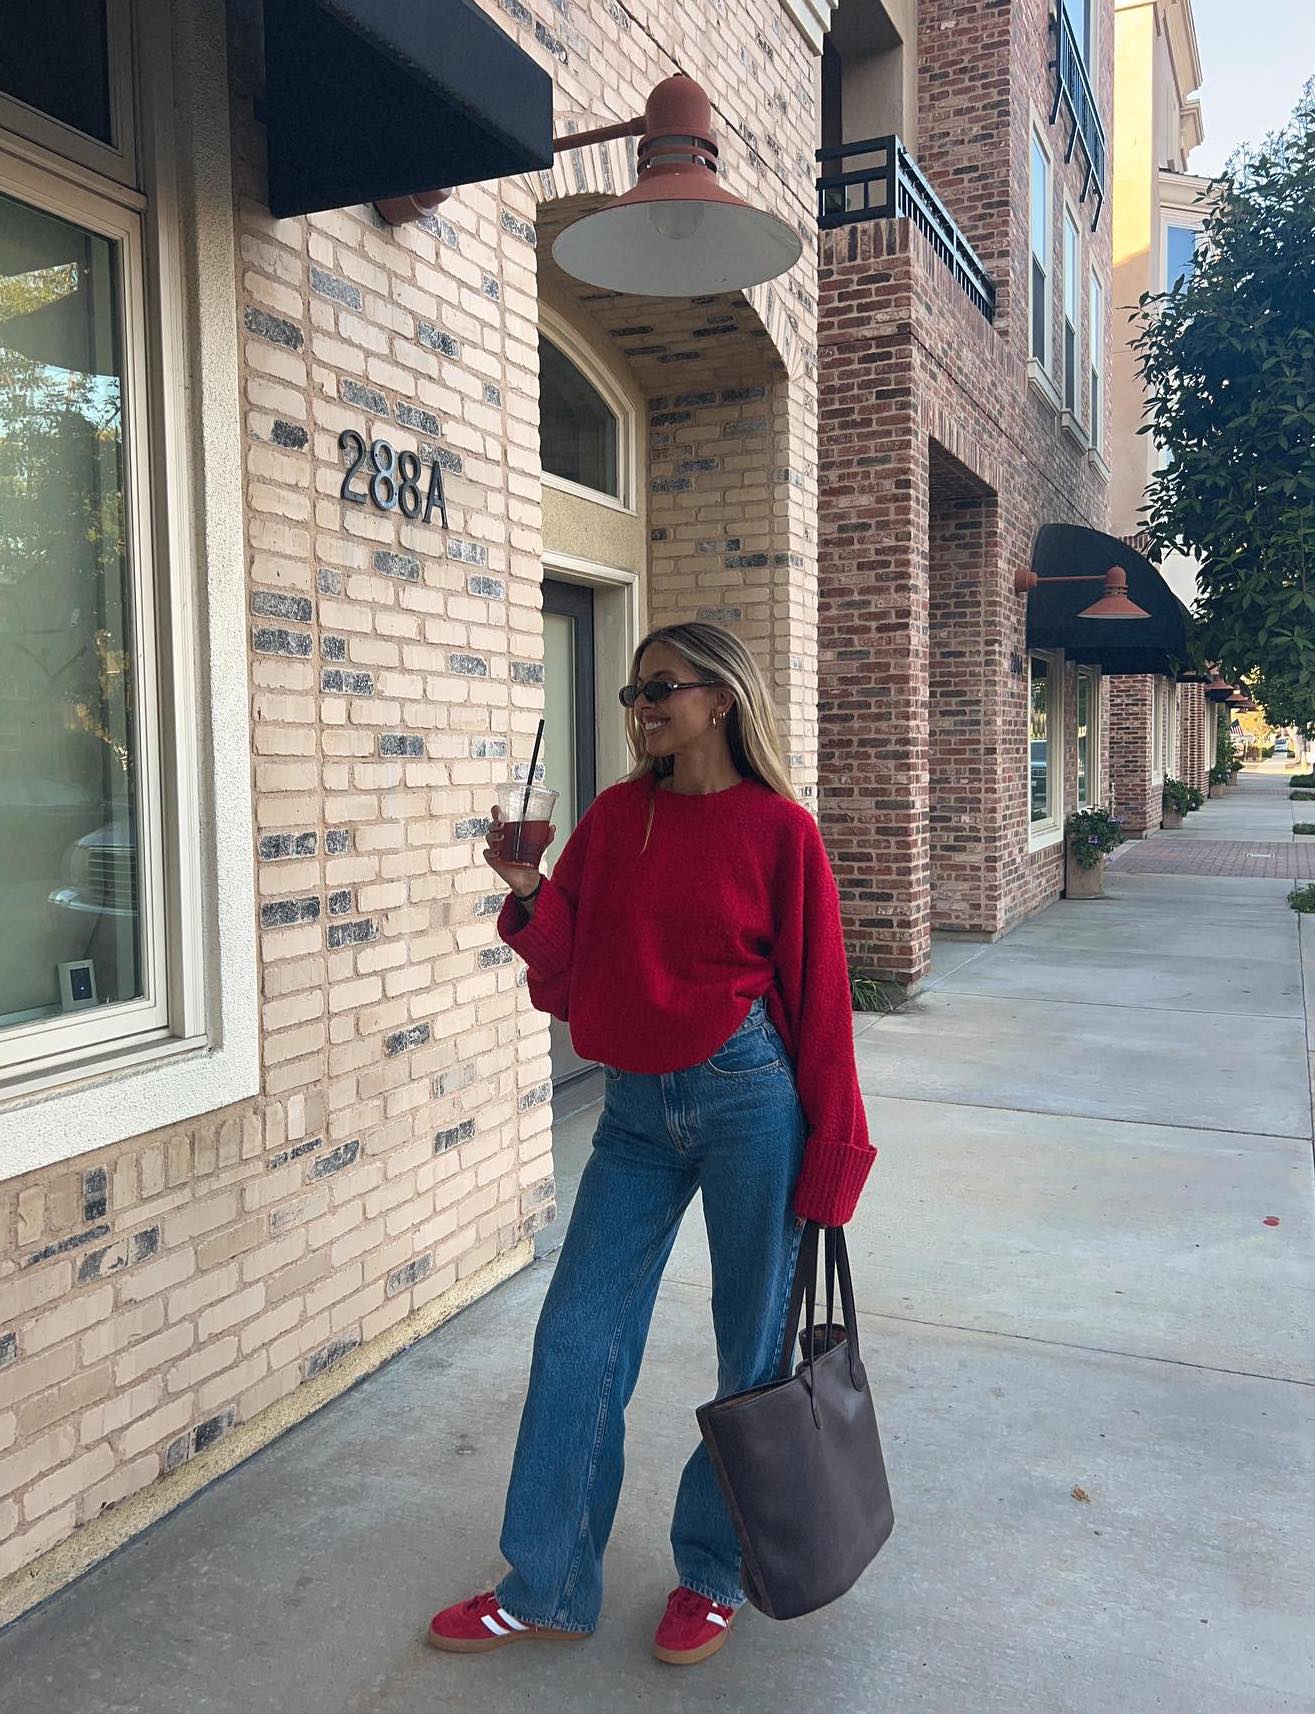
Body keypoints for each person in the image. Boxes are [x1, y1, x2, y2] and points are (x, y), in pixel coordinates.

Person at [427, 621, 875, 1666]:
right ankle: (545, 1581)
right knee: (577, 1338)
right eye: (632, 694)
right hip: (633, 1110)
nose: (639, 708)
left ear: (720, 696)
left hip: (749, 1099)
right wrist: (528, 890)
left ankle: (713, 1572)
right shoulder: (618, 815)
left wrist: (834, 1156)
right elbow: (572, 958)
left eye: (658, 689)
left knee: (751, 1353)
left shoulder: (779, 830)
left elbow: (821, 1006)